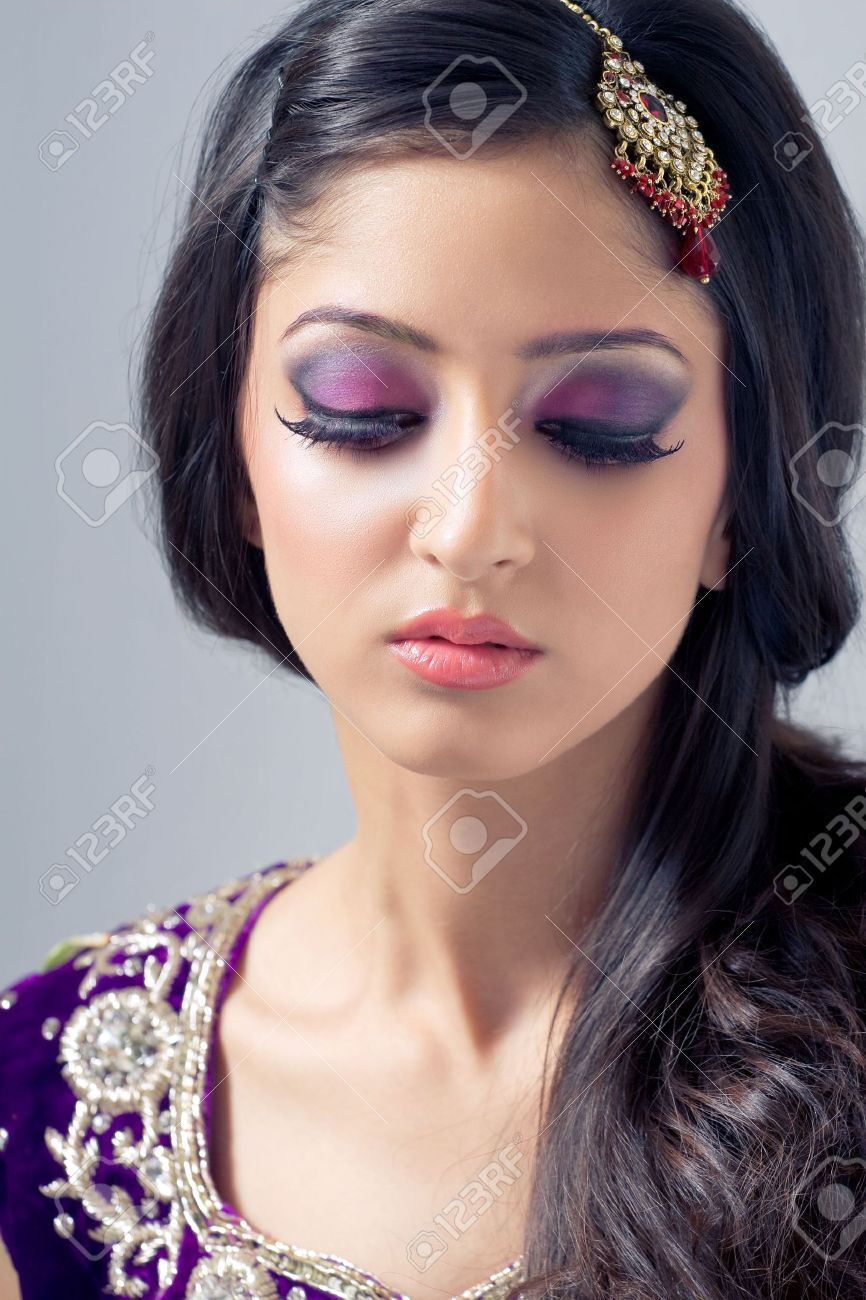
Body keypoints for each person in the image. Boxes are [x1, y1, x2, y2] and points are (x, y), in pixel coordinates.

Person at [3, 0, 866, 1295]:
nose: (467, 531)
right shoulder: (53, 1100)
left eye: (599, 419)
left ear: (746, 496)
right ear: (232, 453)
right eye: (360, 408)